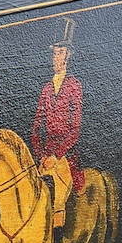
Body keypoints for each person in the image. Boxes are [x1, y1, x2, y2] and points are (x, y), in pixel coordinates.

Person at [31, 21, 82, 229]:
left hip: (65, 154)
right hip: (45, 153)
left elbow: (76, 129)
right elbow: (36, 128)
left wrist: (55, 156)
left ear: (68, 55)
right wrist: (40, 154)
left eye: (60, 53)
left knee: (58, 199)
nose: (56, 58)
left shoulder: (74, 86)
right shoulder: (46, 89)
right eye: (54, 53)